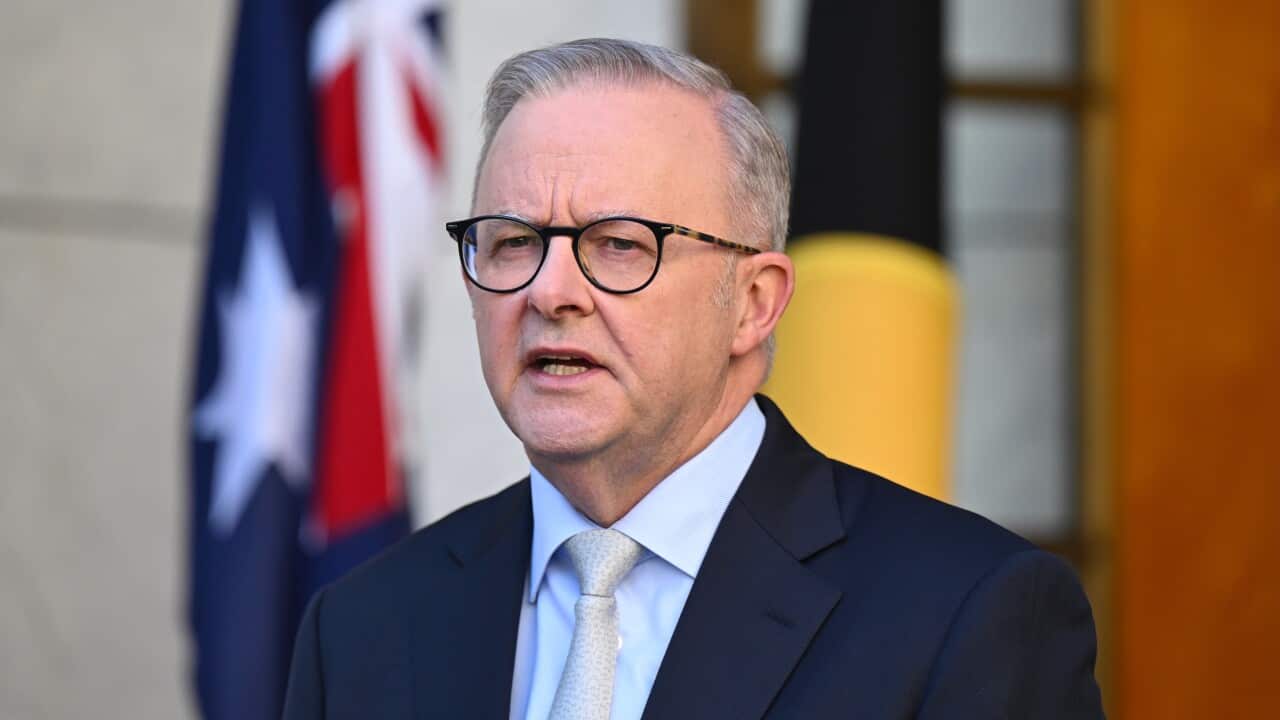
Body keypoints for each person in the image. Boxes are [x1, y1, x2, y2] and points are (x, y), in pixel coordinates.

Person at [283, 38, 1104, 719]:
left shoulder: (967, 615)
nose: (548, 291)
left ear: (752, 304)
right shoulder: (362, 626)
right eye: (510, 241)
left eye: (618, 244)